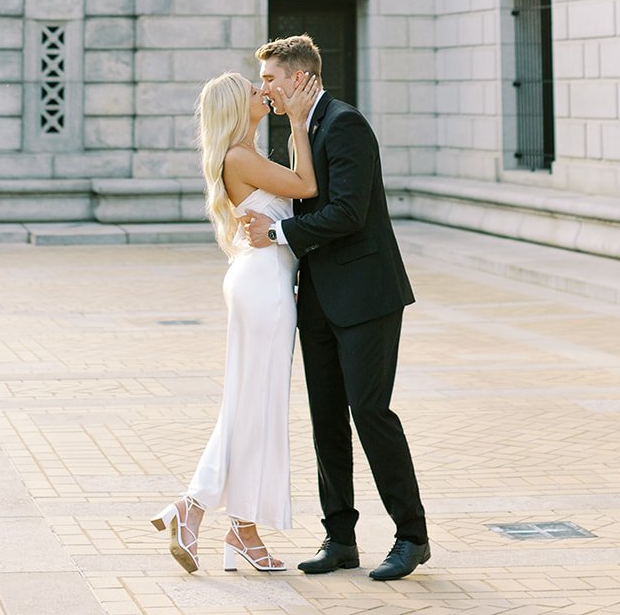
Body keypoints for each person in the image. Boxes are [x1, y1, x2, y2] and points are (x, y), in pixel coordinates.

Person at [243, 33, 430, 582]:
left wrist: (278, 232)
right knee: (326, 419)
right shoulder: (300, 128)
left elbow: (349, 211)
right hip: (319, 300)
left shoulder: (346, 123)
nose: (265, 89)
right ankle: (340, 539)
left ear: (303, 78)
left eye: (272, 79)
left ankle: (412, 536)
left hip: (367, 297)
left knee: (370, 412)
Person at [151, 67, 321, 574]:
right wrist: (296, 121)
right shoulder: (242, 157)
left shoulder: (246, 154)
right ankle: (210, 513)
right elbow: (307, 187)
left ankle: (226, 523)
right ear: (237, 106)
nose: (263, 92)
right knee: (255, 406)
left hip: (260, 279)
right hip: (263, 285)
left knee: (250, 406)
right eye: (254, 90)